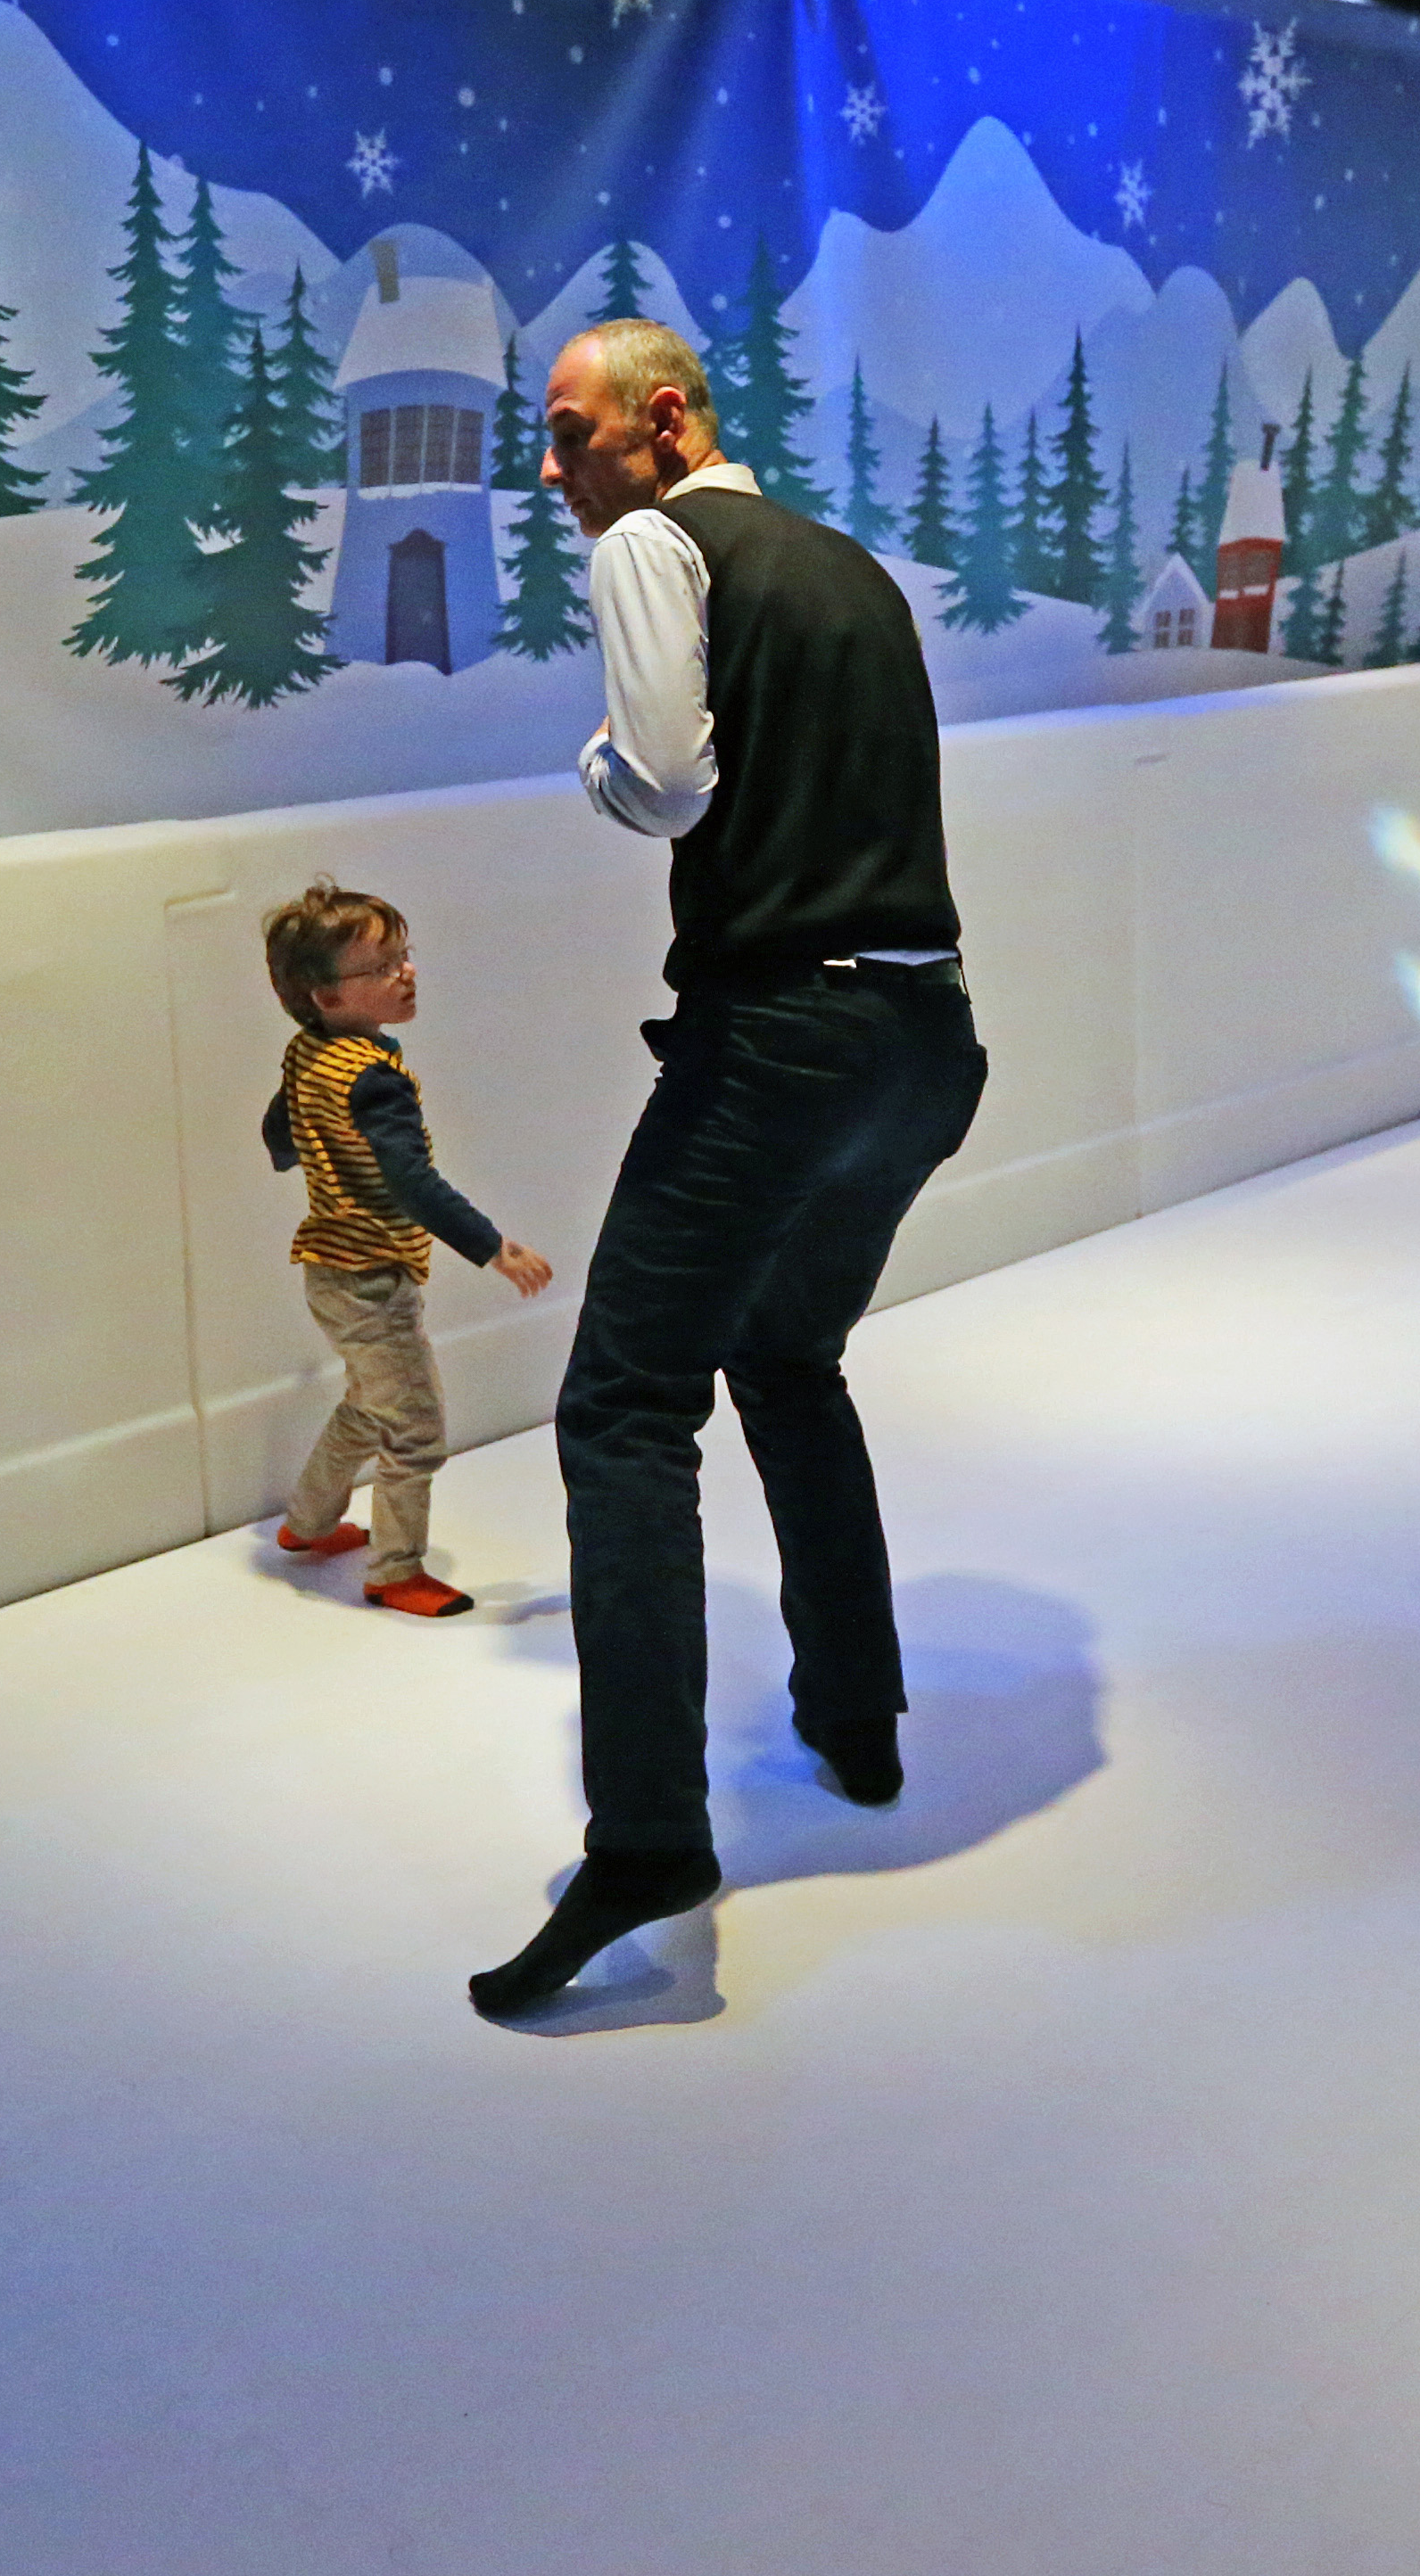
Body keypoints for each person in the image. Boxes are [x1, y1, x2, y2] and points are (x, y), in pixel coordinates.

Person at [466, 318, 986, 2020]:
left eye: (570, 431)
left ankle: (642, 1840)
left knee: (622, 1408)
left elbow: (667, 784)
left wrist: (592, 766)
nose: (553, 467)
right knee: (784, 1355)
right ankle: (856, 1719)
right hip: (922, 1042)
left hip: (777, 1036)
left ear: (664, 419)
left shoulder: (651, 541)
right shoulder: (849, 571)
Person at [257, 879, 554, 1622]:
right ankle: (395, 1571)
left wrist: (316, 1154)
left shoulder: (309, 1053)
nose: (407, 972)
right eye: (383, 966)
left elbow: (278, 1132)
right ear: (328, 997)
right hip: (370, 1280)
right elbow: (414, 1182)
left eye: (404, 955)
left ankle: (308, 1523)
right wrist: (494, 1247)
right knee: (415, 1433)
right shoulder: (376, 1082)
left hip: (328, 1269)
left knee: (369, 1403)